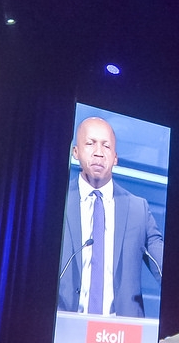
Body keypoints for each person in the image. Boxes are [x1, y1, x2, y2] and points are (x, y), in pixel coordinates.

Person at [57, 116, 164, 318]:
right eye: (90, 144)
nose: (99, 153)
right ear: (75, 152)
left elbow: (165, 270)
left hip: (120, 337)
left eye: (106, 146)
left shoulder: (138, 209)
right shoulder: (57, 202)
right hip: (63, 326)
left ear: (115, 157)